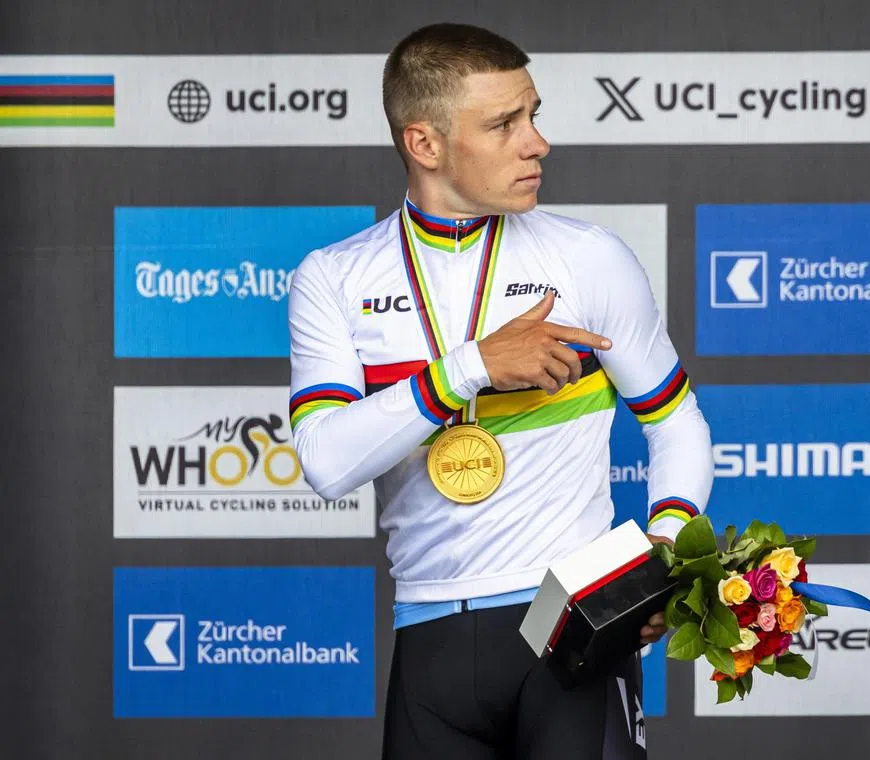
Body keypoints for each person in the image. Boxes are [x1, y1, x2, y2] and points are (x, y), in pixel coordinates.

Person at [287, 22, 713, 760]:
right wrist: (469, 368)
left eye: (534, 115)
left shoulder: (589, 257)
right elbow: (326, 462)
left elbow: (677, 424)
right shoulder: (333, 277)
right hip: (428, 628)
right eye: (504, 124)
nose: (537, 142)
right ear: (425, 144)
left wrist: (662, 556)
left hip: (569, 611)